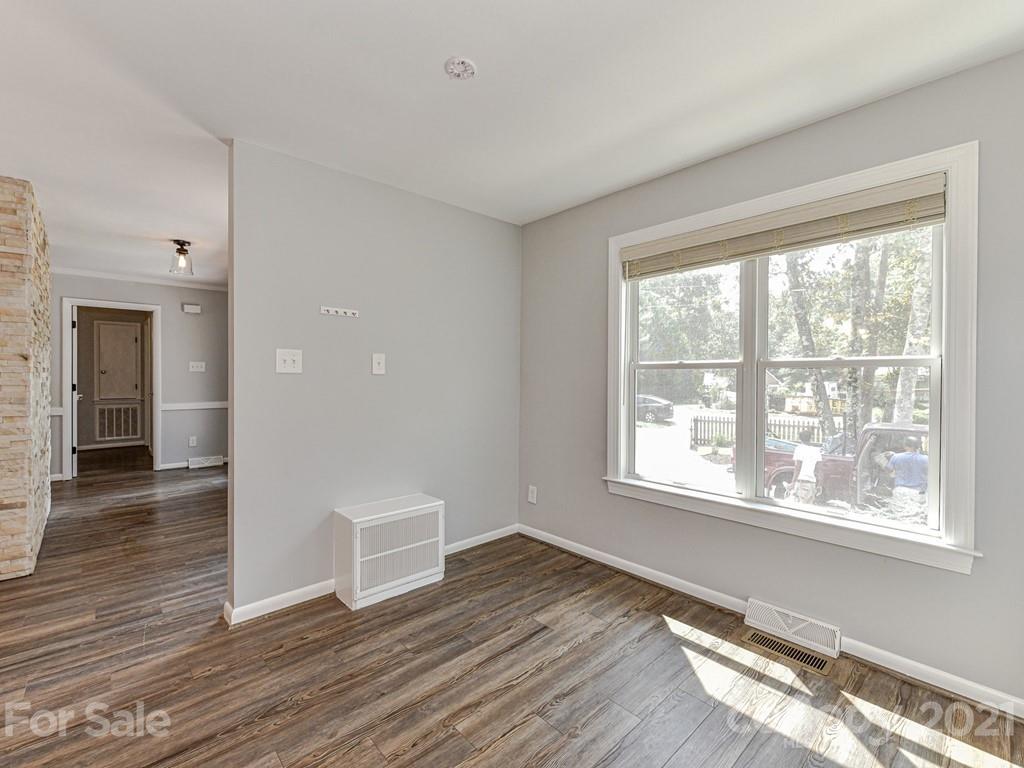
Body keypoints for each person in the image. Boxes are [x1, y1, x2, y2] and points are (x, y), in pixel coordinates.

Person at [887, 436, 928, 516]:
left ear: (905, 446)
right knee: (916, 516)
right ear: (918, 446)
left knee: (899, 516)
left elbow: (889, 470)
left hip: (900, 491)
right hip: (918, 493)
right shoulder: (926, 459)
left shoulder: (896, 457)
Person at [790, 429, 821, 504]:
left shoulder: (799, 449)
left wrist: (793, 482)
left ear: (800, 439)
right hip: (812, 484)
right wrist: (820, 485)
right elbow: (819, 469)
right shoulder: (816, 450)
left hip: (801, 482)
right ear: (811, 438)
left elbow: (798, 467)